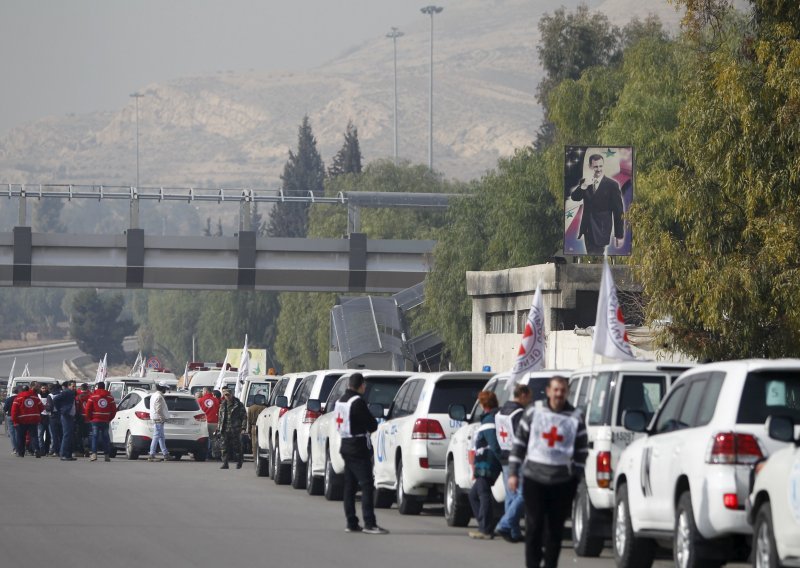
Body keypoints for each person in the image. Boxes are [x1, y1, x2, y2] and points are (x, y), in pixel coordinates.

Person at [508, 376, 587, 568]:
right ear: (549, 391)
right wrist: (513, 473)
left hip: (562, 481)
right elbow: (519, 443)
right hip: (534, 478)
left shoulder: (575, 416)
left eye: (563, 390)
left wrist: (576, 476)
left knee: (555, 530)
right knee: (534, 526)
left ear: (567, 392)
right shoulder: (534, 411)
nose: (559, 394)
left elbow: (582, 450)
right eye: (556, 390)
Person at [337, 372, 388, 535]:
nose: (365, 387)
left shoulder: (341, 401)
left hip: (345, 444)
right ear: (360, 385)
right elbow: (372, 425)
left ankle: (351, 522)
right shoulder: (357, 402)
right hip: (358, 448)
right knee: (366, 485)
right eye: (364, 385)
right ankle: (369, 523)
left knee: (350, 487)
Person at [494, 384, 533, 543]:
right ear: (522, 395)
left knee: (511, 495)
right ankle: (505, 524)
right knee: (524, 493)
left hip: (504, 457)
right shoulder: (519, 413)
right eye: (529, 396)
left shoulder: (500, 412)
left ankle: (514, 532)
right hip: (517, 458)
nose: (530, 400)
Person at [570, 154, 624, 255]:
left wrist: (619, 235)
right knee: (591, 256)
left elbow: (618, 211)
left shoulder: (612, 185)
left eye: (600, 166)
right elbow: (574, 197)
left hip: (602, 230)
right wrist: (583, 186)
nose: (598, 169)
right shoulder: (585, 182)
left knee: (597, 257)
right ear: (590, 166)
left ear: (603, 166)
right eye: (595, 166)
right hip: (587, 229)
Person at [468, 391, 502, 540]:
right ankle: (486, 525)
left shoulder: (489, 420)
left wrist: (503, 461)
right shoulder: (492, 418)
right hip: (484, 464)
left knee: (483, 494)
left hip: (487, 465)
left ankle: (486, 529)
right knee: (474, 495)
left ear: (484, 404)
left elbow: (494, 445)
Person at [84, 381, 117, 462]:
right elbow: (114, 410)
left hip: (95, 420)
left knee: (94, 437)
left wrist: (90, 418)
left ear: (97, 387)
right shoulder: (110, 397)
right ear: (104, 387)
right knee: (105, 437)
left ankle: (94, 454)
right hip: (105, 420)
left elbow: (88, 409)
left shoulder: (93, 396)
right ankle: (106, 455)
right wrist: (109, 418)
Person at [217, 388, 246, 469]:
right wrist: (218, 428)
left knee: (237, 447)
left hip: (235, 429)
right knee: (224, 447)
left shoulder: (238, 404)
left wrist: (243, 428)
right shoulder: (222, 404)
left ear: (232, 394)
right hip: (225, 429)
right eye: (225, 395)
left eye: (228, 395)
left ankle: (239, 462)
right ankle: (225, 463)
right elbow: (220, 417)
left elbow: (244, 417)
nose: (227, 397)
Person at [11, 385, 43, 458]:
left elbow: (14, 411)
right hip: (33, 420)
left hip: (21, 420)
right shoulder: (35, 397)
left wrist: (15, 421)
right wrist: (36, 413)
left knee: (21, 437)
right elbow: (41, 407)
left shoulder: (18, 398)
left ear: (21, 390)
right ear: (28, 389)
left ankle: (21, 452)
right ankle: (36, 450)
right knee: (34, 436)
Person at [53, 381, 77, 461]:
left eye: (75, 386)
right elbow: (55, 399)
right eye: (73, 386)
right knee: (66, 435)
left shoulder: (72, 393)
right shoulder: (66, 392)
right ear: (69, 386)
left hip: (70, 416)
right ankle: (63, 454)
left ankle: (68, 455)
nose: (74, 388)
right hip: (66, 415)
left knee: (70, 435)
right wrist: (61, 409)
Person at [148, 382, 170, 462]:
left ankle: (165, 454)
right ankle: (152, 454)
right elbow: (158, 409)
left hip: (156, 418)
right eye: (165, 389)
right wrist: (162, 418)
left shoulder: (154, 395)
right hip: (158, 419)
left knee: (161, 437)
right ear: (162, 388)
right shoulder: (159, 396)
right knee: (156, 436)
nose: (166, 390)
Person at [198, 386, 220, 456]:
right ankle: (214, 454)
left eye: (203, 391)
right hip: (214, 422)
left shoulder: (200, 400)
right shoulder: (216, 400)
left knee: (203, 439)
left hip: (204, 423)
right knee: (214, 439)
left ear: (206, 391)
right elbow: (219, 411)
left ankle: (205, 453)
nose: (202, 393)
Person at [47, 382, 63, 457]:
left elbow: (49, 407)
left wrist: (45, 407)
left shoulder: (50, 395)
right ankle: (62, 450)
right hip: (62, 415)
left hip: (53, 416)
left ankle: (56, 451)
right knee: (61, 434)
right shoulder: (62, 394)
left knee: (55, 435)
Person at [37, 383, 52, 456]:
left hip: (49, 417)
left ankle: (47, 450)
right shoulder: (38, 396)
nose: (44, 389)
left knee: (49, 435)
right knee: (40, 435)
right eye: (43, 388)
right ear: (40, 389)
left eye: (45, 388)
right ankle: (41, 450)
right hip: (41, 417)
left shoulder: (50, 395)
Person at [4, 387, 19, 455]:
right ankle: (19, 447)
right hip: (18, 417)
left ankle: (15, 449)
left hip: (10, 416)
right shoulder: (19, 399)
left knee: (12, 434)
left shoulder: (8, 399)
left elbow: (5, 409)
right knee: (18, 433)